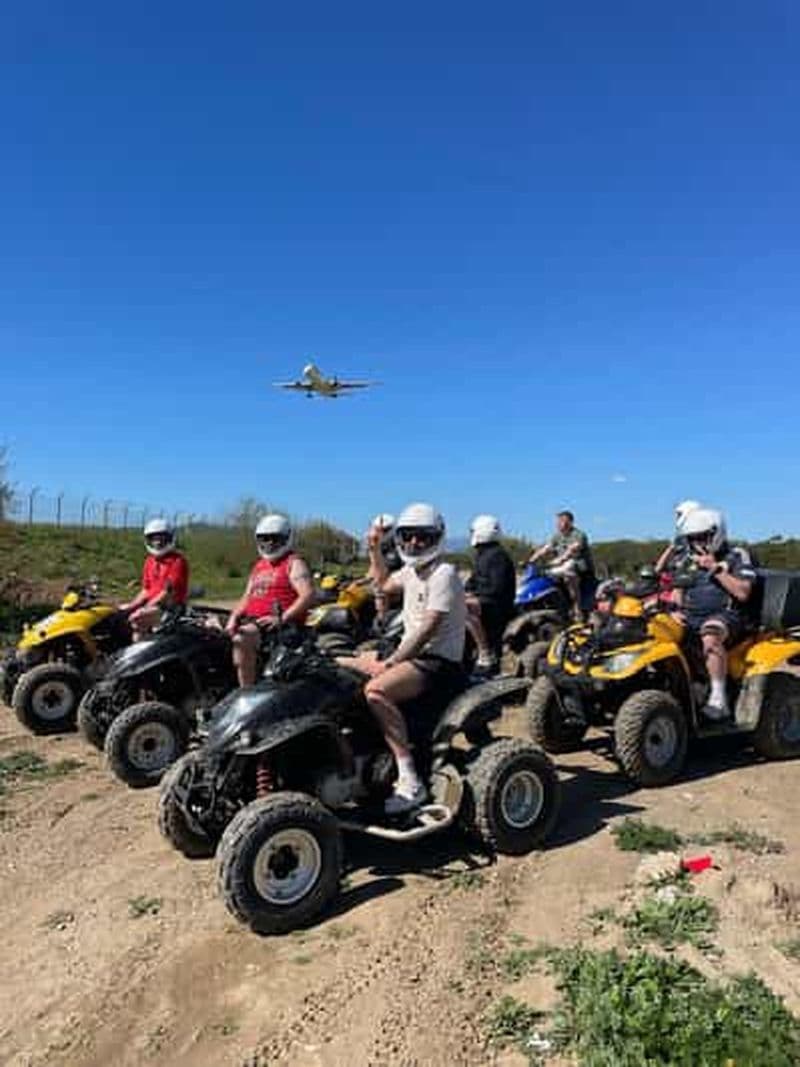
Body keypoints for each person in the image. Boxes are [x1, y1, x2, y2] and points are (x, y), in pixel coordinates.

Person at [340, 502, 466, 814]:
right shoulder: (411, 572)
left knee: (376, 690)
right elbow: (383, 585)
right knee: (340, 665)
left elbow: (428, 628)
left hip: (437, 662)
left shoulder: (444, 573)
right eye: (407, 536)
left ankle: (410, 779)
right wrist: (373, 549)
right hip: (410, 655)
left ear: (437, 538)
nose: (414, 543)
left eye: (422, 537)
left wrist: (392, 662)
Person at [679, 507, 756, 721]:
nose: (697, 543)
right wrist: (673, 612)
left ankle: (718, 699)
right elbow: (677, 592)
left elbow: (743, 593)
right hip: (691, 617)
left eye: (702, 537)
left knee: (710, 634)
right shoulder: (687, 561)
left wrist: (715, 568)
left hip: (728, 616)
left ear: (716, 533)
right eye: (692, 538)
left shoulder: (737, 555)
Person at [226, 514, 315, 687]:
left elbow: (308, 595)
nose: (269, 543)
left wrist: (282, 618)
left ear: (286, 538)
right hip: (253, 622)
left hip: (281, 626)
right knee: (207, 629)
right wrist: (233, 617)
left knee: (241, 639)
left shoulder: (293, 563)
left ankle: (246, 691)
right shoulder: (259, 565)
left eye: (275, 539)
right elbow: (247, 597)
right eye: (264, 539)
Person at [120, 518, 189, 641]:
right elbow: (146, 590)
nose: (157, 542)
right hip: (154, 606)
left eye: (162, 538)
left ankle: (140, 649)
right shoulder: (150, 561)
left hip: (170, 607)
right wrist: (131, 606)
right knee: (117, 613)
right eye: (153, 539)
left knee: (137, 618)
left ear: (170, 539)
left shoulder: (178, 561)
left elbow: (167, 593)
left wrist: (144, 607)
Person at [464, 514, 516, 674]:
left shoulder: (498, 555)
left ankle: (485, 654)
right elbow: (473, 579)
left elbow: (497, 587)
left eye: (473, 531)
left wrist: (473, 596)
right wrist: (463, 591)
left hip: (498, 603)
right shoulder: (482, 554)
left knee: (466, 609)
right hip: (487, 599)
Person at [528, 510, 594, 621]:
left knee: (569, 570)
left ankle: (577, 607)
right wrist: (531, 560)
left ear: (570, 522)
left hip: (580, 566)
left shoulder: (578, 535)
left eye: (562, 521)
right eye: (558, 521)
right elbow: (546, 548)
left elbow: (572, 549)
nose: (558, 524)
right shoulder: (557, 536)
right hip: (561, 565)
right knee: (543, 574)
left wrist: (560, 559)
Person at [654, 499, 702, 576]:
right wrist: (670, 548)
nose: (677, 518)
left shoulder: (705, 541)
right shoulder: (680, 539)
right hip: (675, 578)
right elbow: (658, 568)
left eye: (679, 515)